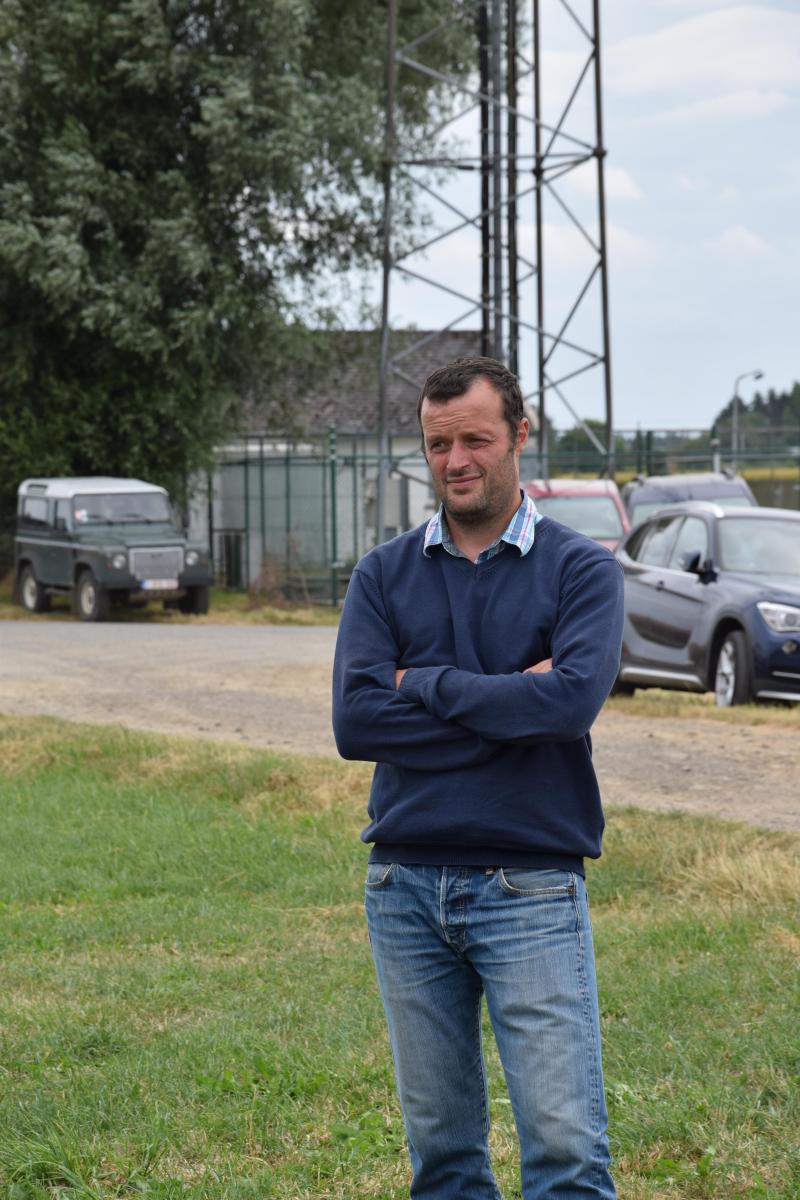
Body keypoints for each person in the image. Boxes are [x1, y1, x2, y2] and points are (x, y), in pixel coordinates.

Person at [332, 356, 624, 1200]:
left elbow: (567, 707)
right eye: (436, 444)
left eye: (475, 440)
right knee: (445, 1159)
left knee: (567, 1154)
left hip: (529, 881)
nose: (455, 460)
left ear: (520, 435)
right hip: (403, 883)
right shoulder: (383, 575)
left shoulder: (580, 571)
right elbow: (356, 725)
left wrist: (420, 683)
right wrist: (507, 707)